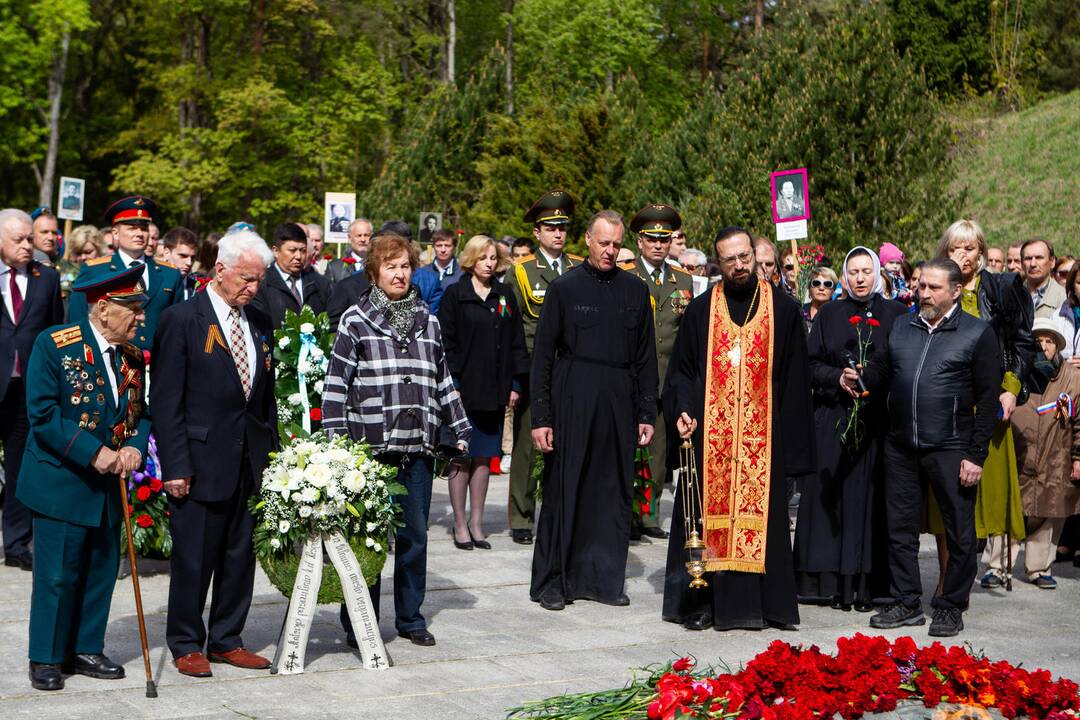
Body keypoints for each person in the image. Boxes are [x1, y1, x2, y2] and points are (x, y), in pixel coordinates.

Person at [661, 226, 814, 631]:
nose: (741, 265)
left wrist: (795, 449)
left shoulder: (782, 309)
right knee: (704, 519)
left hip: (763, 441)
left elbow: (796, 380)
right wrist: (683, 408)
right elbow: (682, 373)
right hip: (711, 439)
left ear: (754, 253)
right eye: (731, 260)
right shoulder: (699, 311)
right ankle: (703, 604)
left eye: (745, 256)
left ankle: (765, 607)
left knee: (764, 521)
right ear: (719, 263)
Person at [323, 233, 471, 647]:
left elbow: (442, 380)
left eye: (405, 265)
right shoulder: (355, 320)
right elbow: (335, 387)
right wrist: (338, 445)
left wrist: (460, 429)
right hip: (370, 452)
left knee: (414, 538)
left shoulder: (429, 319)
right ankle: (360, 620)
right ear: (374, 272)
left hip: (418, 449)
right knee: (367, 540)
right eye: (390, 266)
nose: (400, 273)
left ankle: (410, 618)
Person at [17, 263, 150, 691]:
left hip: (108, 488)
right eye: (134, 308)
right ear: (104, 307)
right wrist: (95, 454)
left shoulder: (131, 356)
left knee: (99, 567)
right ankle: (47, 656)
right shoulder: (55, 345)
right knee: (57, 573)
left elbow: (139, 414)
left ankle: (86, 646)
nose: (141, 317)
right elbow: (43, 414)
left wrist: (133, 445)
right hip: (63, 481)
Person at [151, 229, 277, 678]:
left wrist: (274, 458)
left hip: (249, 458)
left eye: (259, 280)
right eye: (245, 278)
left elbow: (265, 400)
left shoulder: (259, 320)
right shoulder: (183, 319)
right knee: (194, 558)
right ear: (219, 269)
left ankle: (227, 638)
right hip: (200, 460)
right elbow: (166, 401)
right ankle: (186, 641)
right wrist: (175, 464)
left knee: (240, 555)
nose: (252, 288)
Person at [529, 209, 657, 611]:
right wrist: (541, 418)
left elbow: (646, 359)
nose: (610, 251)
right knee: (565, 490)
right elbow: (543, 358)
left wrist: (646, 413)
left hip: (618, 402)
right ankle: (554, 580)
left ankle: (604, 580)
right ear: (587, 239)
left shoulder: (635, 291)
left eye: (617, 244)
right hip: (573, 399)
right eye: (604, 243)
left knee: (611, 492)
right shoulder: (563, 289)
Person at [871, 259, 1002, 637]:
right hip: (901, 445)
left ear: (956, 290)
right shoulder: (902, 325)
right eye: (921, 286)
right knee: (900, 529)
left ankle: (950, 605)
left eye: (933, 288)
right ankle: (906, 601)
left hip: (951, 446)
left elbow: (988, 398)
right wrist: (858, 377)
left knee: (959, 531)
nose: (923, 293)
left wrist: (976, 455)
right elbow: (882, 371)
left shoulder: (977, 333)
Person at [794, 247, 907, 612]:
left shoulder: (896, 314)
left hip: (878, 422)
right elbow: (809, 364)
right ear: (845, 276)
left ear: (877, 273)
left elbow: (902, 364)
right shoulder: (829, 314)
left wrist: (872, 377)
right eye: (853, 272)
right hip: (835, 419)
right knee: (834, 502)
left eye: (866, 271)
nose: (860, 278)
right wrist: (836, 377)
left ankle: (869, 583)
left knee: (872, 502)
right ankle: (827, 581)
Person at [938, 219, 1040, 595]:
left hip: (989, 402)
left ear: (981, 251)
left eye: (969, 248)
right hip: (945, 407)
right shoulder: (935, 286)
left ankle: (976, 572)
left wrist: (1011, 387)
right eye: (954, 248)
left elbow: (1023, 342)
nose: (961, 256)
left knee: (982, 498)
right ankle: (948, 578)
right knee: (945, 497)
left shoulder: (1001, 288)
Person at [438, 235, 528, 550]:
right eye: (482, 258)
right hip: (463, 391)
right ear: (470, 260)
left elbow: (517, 341)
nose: (489, 263)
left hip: (494, 390)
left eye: (492, 258)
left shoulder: (504, 295)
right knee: (461, 457)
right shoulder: (455, 295)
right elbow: (446, 345)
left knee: (484, 458)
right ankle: (460, 524)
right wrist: (455, 386)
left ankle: (477, 523)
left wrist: (516, 384)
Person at [507, 190, 581, 545]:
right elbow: (513, 331)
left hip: (570, 369)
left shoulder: (578, 268)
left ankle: (558, 509)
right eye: (550, 228)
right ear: (536, 233)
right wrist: (518, 377)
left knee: (565, 442)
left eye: (562, 227)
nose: (557, 234)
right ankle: (521, 518)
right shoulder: (520, 273)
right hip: (536, 367)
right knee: (527, 445)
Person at [983, 318, 1080, 589]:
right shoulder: (1014, 372)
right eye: (1039, 340)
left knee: (1049, 512)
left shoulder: (1072, 378)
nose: (1044, 346)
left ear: (1058, 346)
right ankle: (996, 566)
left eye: (1050, 341)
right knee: (1007, 508)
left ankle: (1040, 568)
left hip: (1055, 455)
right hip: (1017, 450)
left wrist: (1078, 458)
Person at [621, 204, 695, 541]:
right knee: (627, 448)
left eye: (664, 239)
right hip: (631, 376)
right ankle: (626, 514)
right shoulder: (625, 275)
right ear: (639, 241)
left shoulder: (683, 278)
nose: (658, 245)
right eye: (651, 238)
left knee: (658, 451)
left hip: (666, 376)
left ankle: (649, 515)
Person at [1, 209, 64, 571]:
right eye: (19, 240)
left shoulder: (46, 279)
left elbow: (55, 332)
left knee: (20, 466)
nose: (28, 246)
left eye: (30, 239)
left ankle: (16, 542)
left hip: (26, 389)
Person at [68, 196, 184, 353]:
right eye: (131, 228)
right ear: (115, 233)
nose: (139, 234)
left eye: (143, 228)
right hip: (112, 360)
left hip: (159, 362)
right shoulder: (94, 271)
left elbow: (176, 325)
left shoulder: (170, 273)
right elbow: (77, 321)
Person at [249, 222, 331, 329]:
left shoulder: (320, 284)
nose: (298, 256)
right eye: (292, 250)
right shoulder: (261, 285)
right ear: (276, 251)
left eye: (303, 251)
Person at [1022, 239, 1066, 319]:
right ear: (1022, 264)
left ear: (1052, 262)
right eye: (1028, 258)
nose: (1033, 264)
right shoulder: (1012, 295)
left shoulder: (1063, 298)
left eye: (1039, 258)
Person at [326, 218, 372, 284]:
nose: (363, 239)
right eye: (359, 235)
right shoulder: (335, 268)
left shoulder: (379, 265)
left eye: (366, 235)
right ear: (349, 238)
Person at [160, 227, 202, 301]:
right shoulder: (152, 281)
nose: (189, 263)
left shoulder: (198, 288)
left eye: (192, 258)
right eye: (183, 256)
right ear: (166, 253)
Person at [802, 266, 837, 332]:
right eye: (816, 283)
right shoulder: (801, 311)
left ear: (833, 291)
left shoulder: (837, 314)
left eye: (827, 284)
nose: (821, 288)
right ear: (809, 288)